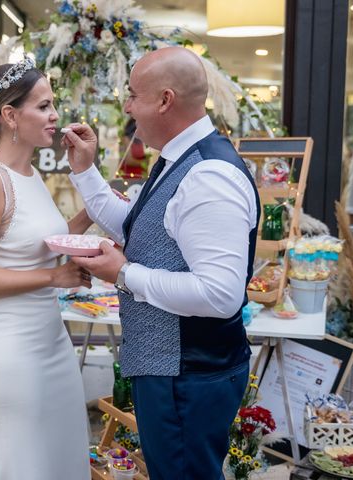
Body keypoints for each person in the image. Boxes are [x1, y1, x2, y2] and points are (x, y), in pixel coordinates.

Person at [62, 46, 260, 480]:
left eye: (133, 95)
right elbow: (138, 227)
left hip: (188, 374)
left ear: (165, 100)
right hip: (172, 369)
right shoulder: (179, 159)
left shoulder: (208, 176)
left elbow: (221, 296)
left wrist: (123, 274)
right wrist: (85, 170)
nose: (127, 107)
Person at [0, 58, 92, 480]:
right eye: (44, 107)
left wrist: (96, 212)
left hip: (49, 343)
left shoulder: (29, 174)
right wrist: (55, 277)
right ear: (11, 116)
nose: (55, 117)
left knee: (59, 456)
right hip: (7, 353)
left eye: (53, 106)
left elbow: (38, 248)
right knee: (22, 464)